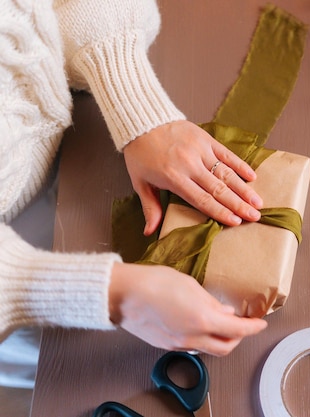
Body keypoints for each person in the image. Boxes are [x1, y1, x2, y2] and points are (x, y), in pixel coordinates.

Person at [0, 0, 269, 390]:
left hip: (75, 137)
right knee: (56, 375)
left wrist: (134, 102)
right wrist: (104, 293)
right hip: (23, 289)